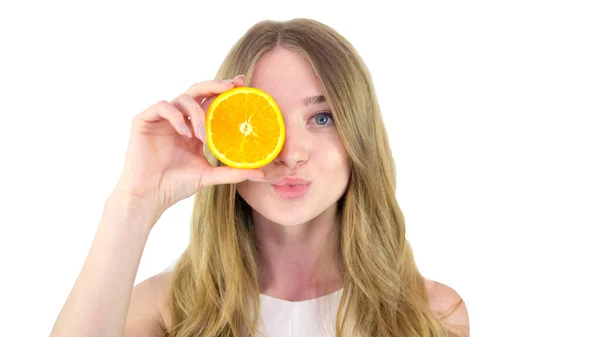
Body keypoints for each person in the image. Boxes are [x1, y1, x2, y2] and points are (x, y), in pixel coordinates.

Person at [50, 18, 469, 337]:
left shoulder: (433, 314)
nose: (289, 153)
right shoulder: (163, 309)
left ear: (358, 135)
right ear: (223, 135)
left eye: (321, 117)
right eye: (260, 120)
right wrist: (135, 201)